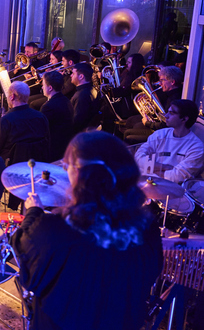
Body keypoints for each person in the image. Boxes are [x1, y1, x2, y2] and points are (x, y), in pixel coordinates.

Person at [11, 131, 162, 330]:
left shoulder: (55, 229)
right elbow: (147, 278)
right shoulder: (148, 229)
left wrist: (33, 212)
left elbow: (27, 267)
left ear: (82, 174)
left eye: (67, 166)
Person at [135, 99, 204, 183]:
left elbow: (177, 176)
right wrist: (164, 167)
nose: (166, 116)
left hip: (175, 191)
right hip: (150, 184)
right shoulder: (159, 135)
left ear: (184, 119)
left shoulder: (197, 147)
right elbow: (138, 157)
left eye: (171, 113)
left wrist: (150, 168)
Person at [0, 81, 50, 164]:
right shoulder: (41, 117)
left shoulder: (5, 122)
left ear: (12, 96)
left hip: (11, 170)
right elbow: (47, 143)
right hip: (37, 166)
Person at [40, 70, 74, 162]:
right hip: (65, 145)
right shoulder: (66, 100)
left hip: (54, 150)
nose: (42, 87)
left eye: (43, 84)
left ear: (50, 88)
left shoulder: (48, 107)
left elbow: (41, 130)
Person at [70, 63, 98, 135]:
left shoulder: (81, 96)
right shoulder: (92, 89)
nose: (71, 75)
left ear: (81, 76)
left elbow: (77, 122)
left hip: (80, 136)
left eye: (73, 73)